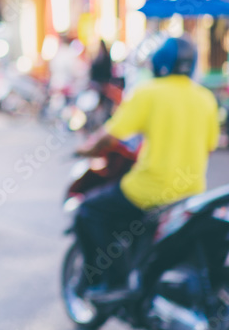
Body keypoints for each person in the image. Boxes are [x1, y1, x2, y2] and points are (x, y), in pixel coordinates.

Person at [75, 36, 219, 301]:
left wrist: (86, 149)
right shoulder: (205, 98)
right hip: (191, 193)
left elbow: (111, 136)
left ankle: (109, 282)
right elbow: (210, 145)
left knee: (89, 211)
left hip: (148, 190)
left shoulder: (148, 91)